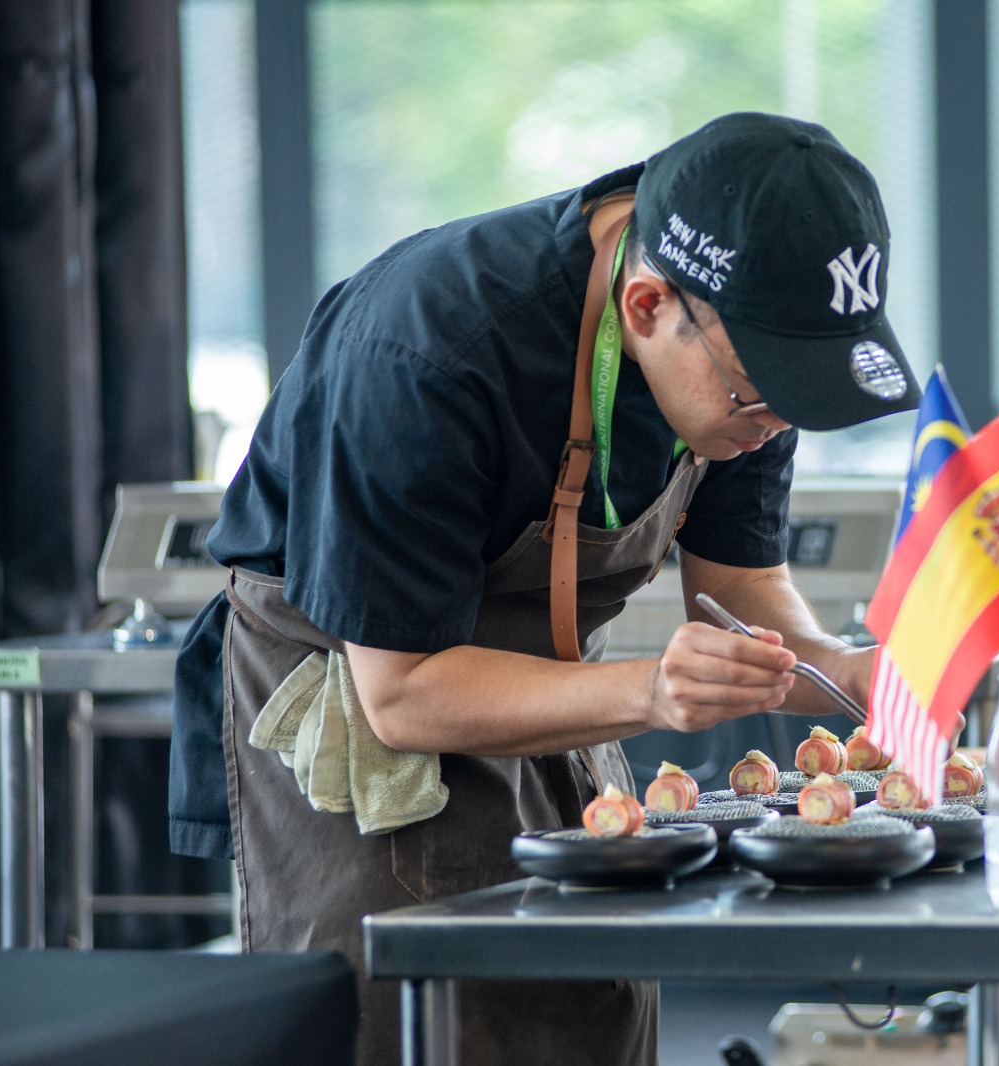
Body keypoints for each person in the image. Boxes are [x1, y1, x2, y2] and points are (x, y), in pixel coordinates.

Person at [168, 111, 920, 1065]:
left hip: (559, 692)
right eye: (761, 393)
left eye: (803, 398)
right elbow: (401, 692)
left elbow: (743, 581)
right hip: (362, 713)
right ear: (646, 307)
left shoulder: (739, 354)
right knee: (419, 1021)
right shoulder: (430, 347)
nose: (775, 422)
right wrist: (650, 692)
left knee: (587, 1002)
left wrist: (839, 668)